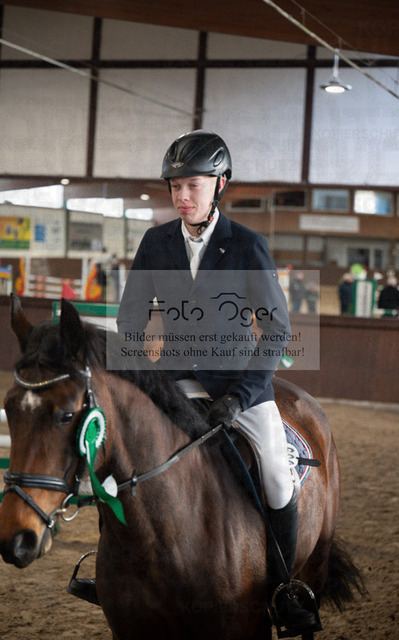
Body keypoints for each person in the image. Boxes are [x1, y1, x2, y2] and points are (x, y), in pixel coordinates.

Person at [116, 130, 317, 633]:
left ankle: (283, 589)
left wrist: (240, 397)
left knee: (277, 473)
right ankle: (114, 572)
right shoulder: (156, 243)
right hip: (175, 383)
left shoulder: (248, 245)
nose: (182, 196)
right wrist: (147, 379)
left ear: (219, 184)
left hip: (239, 388)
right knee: (126, 455)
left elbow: (277, 331)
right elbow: (131, 319)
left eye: (193, 185)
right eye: (175, 186)